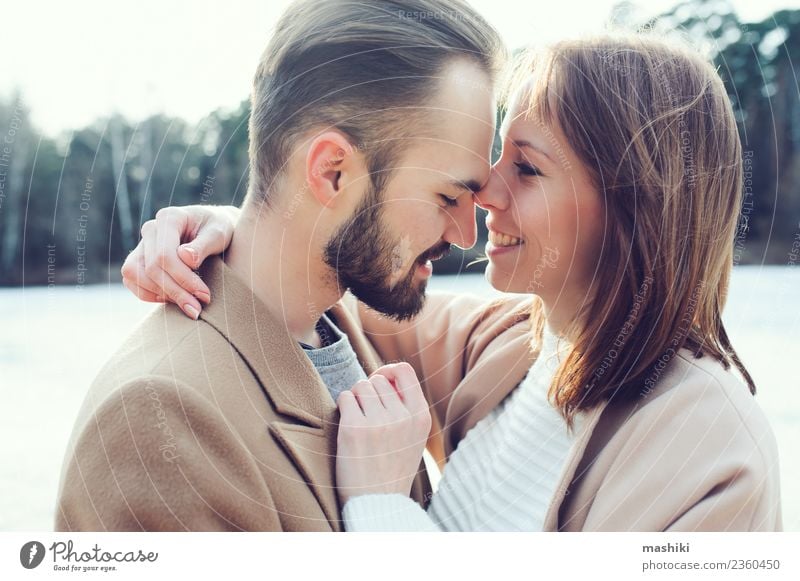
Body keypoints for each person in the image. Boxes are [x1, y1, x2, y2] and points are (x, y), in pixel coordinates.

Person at [125, 33, 783, 531]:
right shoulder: (518, 346)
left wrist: (380, 505)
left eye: (526, 168)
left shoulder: (713, 452)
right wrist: (243, 223)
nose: (486, 190)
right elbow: (333, 296)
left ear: (632, 206)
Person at [55, 0, 505, 531]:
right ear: (333, 172)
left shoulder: (342, 326)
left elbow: (554, 338)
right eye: (449, 197)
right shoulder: (158, 423)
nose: (466, 234)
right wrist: (382, 515)